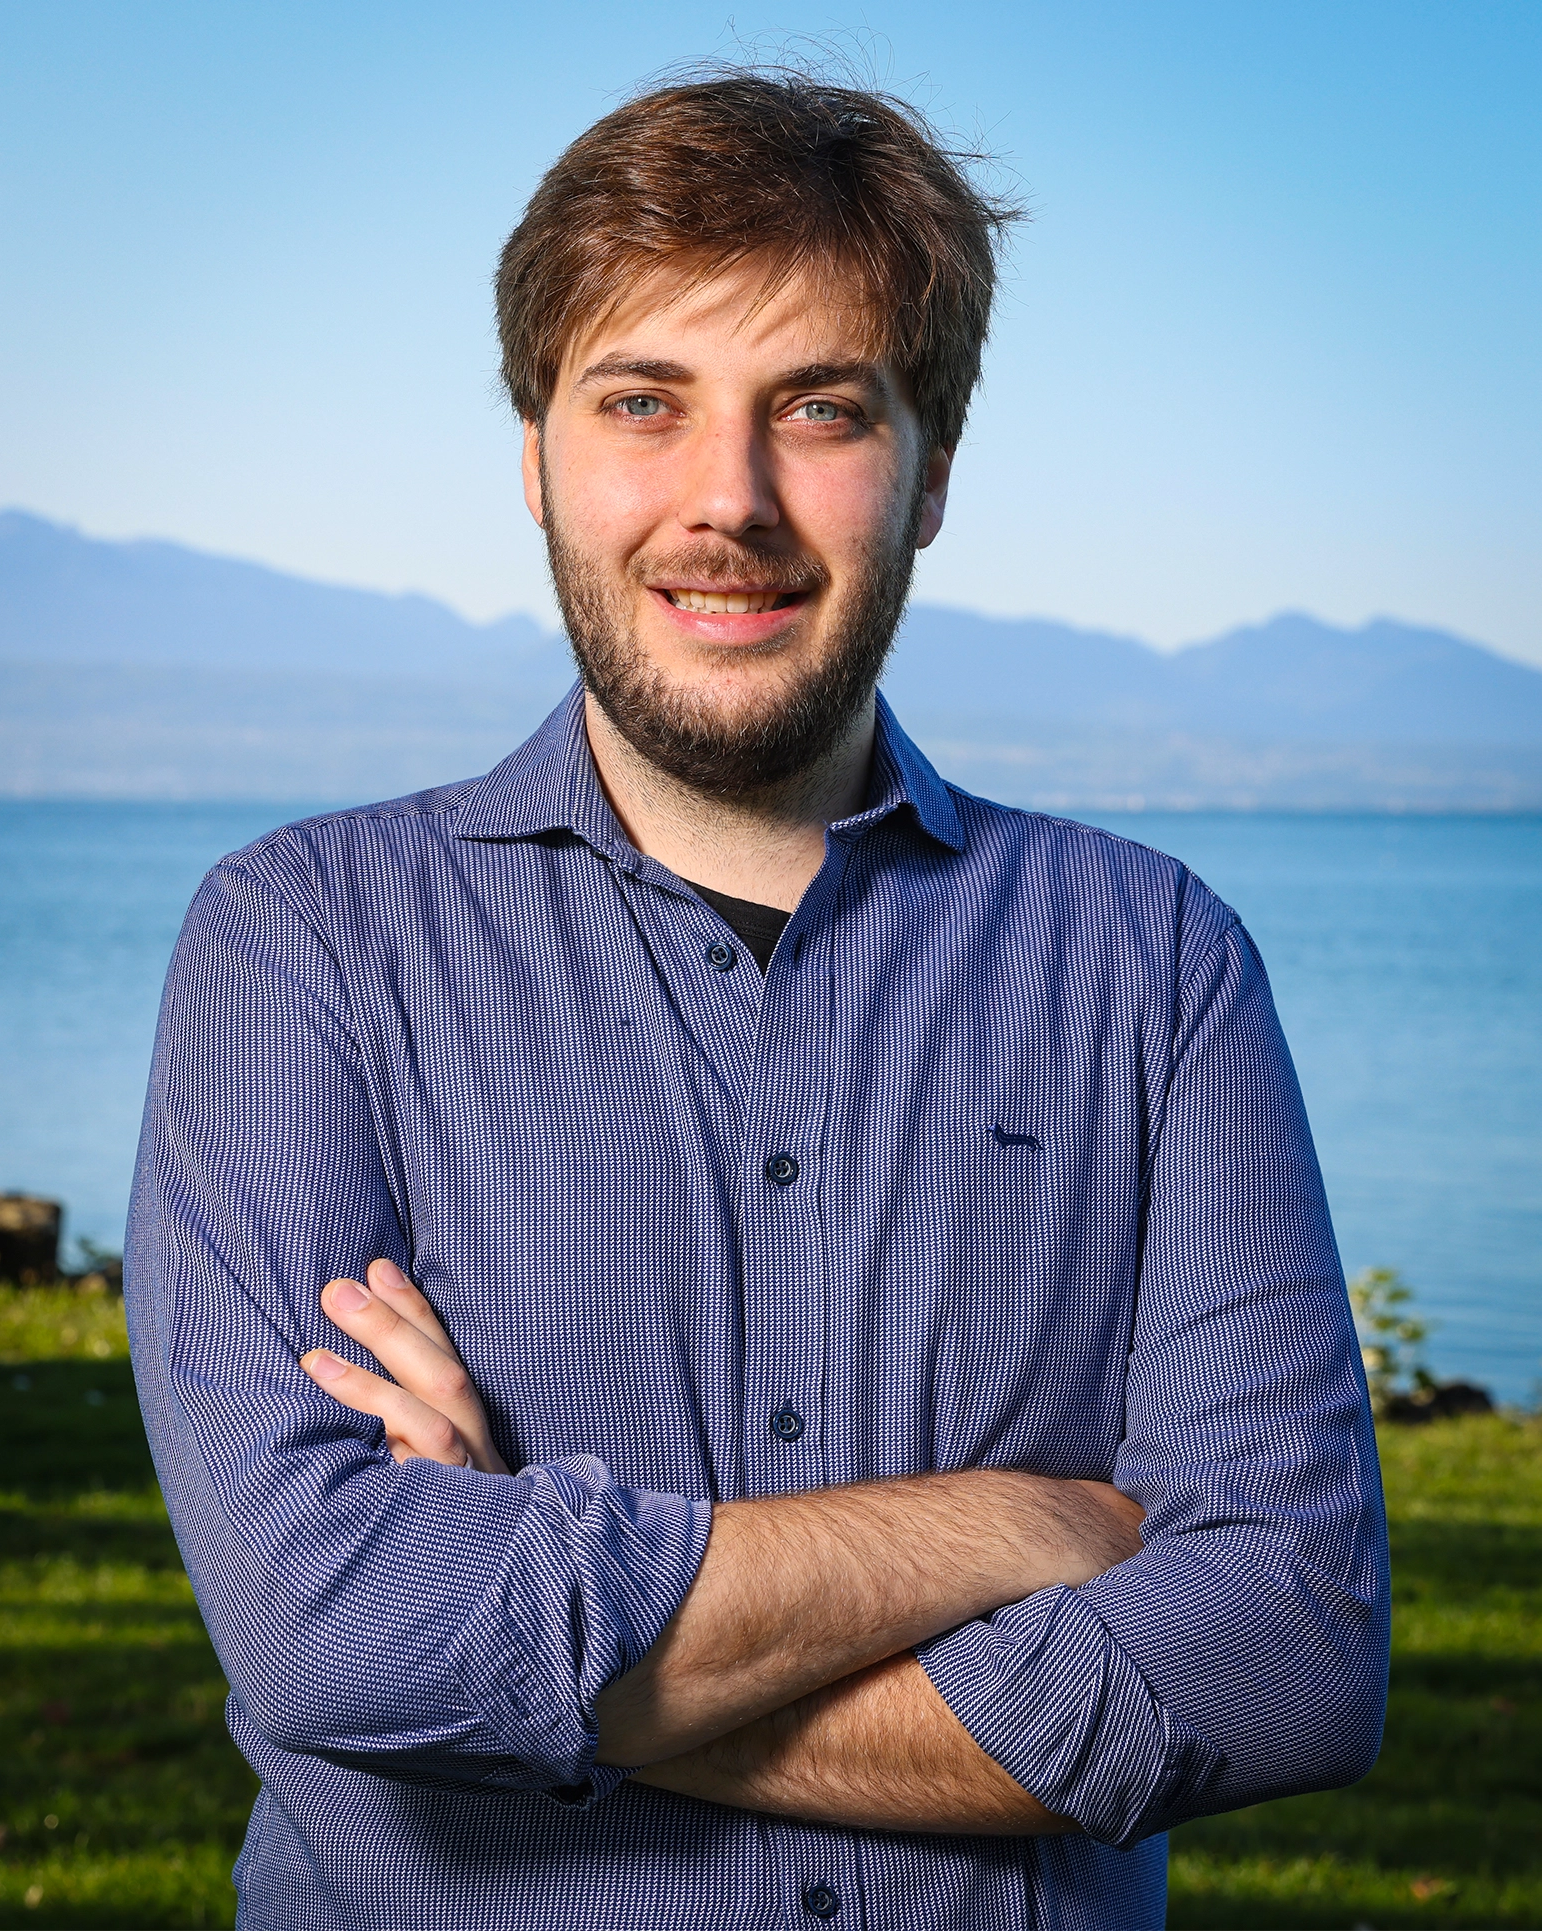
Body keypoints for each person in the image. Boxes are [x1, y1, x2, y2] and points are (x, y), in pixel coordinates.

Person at [126, 70, 1389, 1931]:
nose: (727, 498)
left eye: (817, 409)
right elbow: (329, 1628)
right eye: (643, 401)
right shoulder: (302, 942)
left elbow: (1284, 1646)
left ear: (930, 470)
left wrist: (534, 1634)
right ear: (536, 454)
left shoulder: (1150, 960)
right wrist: (1016, 1525)